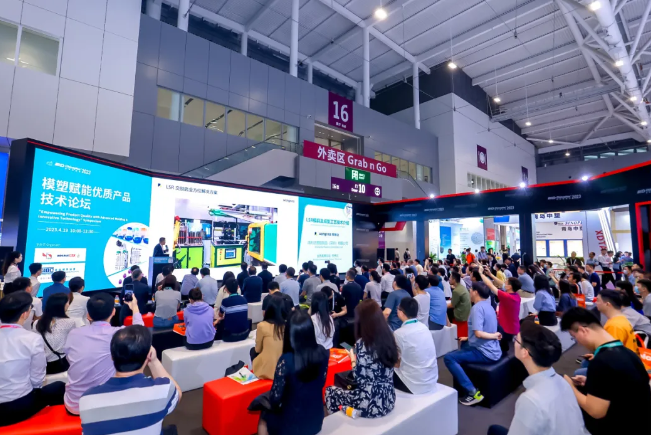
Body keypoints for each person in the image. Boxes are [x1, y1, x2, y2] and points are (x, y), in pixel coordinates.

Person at [560, 307, 651, 435]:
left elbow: (595, 411)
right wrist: (591, 382)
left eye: (574, 337)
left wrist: (570, 386)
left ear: (583, 330)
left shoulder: (601, 361)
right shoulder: (628, 353)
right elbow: (622, 386)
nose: (578, 342)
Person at [487, 321, 588, 435]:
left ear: (525, 352)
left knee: (494, 430)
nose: (514, 342)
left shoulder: (530, 400)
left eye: (516, 340)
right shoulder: (563, 382)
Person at [79, 326, 181, 434]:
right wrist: (154, 361)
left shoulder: (86, 399)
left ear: (112, 357)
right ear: (148, 355)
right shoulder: (162, 391)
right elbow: (178, 393)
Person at [63, 293, 144, 415]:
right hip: (102, 407)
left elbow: (69, 358)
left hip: (73, 405)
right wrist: (135, 307)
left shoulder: (74, 333)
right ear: (113, 312)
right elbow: (140, 332)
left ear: (88, 315)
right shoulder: (118, 335)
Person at [258, 310, 329, 435]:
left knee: (264, 411)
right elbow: (321, 383)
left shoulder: (286, 360)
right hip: (316, 421)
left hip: (292, 426)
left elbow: (275, 399)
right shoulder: (323, 352)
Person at [0, 292, 66, 427]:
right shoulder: (31, 339)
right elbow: (37, 379)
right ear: (25, 314)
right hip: (17, 406)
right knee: (60, 386)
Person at [325, 300, 399, 418]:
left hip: (370, 404)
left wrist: (352, 359)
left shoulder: (363, 344)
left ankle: (342, 422)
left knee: (330, 391)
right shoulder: (389, 336)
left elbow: (359, 378)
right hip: (388, 399)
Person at [444, 282, 502, 406]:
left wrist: (495, 335)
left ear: (475, 292)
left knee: (449, 358)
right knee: (464, 345)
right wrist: (468, 337)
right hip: (491, 348)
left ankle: (473, 393)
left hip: (485, 352)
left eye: (470, 290)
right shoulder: (488, 305)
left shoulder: (477, 308)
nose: (469, 292)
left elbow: (479, 333)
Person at [393, 297, 438, 394]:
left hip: (413, 385)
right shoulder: (424, 327)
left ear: (401, 312)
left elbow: (395, 362)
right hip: (432, 380)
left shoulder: (399, 334)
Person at [34, 292, 77, 374]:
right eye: (67, 302)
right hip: (61, 364)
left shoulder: (36, 323)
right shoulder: (69, 322)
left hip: (42, 365)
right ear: (62, 306)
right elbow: (72, 344)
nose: (68, 305)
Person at [481, 271, 521, 352]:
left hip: (506, 329)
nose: (504, 284)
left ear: (509, 287)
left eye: (506, 283)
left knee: (504, 349)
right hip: (514, 327)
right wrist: (490, 274)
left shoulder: (506, 296)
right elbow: (501, 284)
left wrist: (480, 273)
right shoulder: (516, 295)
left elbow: (489, 285)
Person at [252, 296, 286, 380]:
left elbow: (258, 349)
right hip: (283, 367)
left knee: (252, 351)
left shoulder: (262, 326)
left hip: (267, 370)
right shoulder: (286, 326)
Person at [595, 290, 638, 354]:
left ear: (607, 304)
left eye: (598, 300)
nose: (596, 302)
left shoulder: (614, 326)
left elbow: (612, 354)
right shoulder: (621, 319)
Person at [214, 278, 250, 342]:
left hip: (230, 336)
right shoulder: (244, 300)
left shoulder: (225, 301)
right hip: (245, 334)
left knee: (219, 323)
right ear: (238, 287)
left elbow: (220, 315)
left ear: (226, 289)